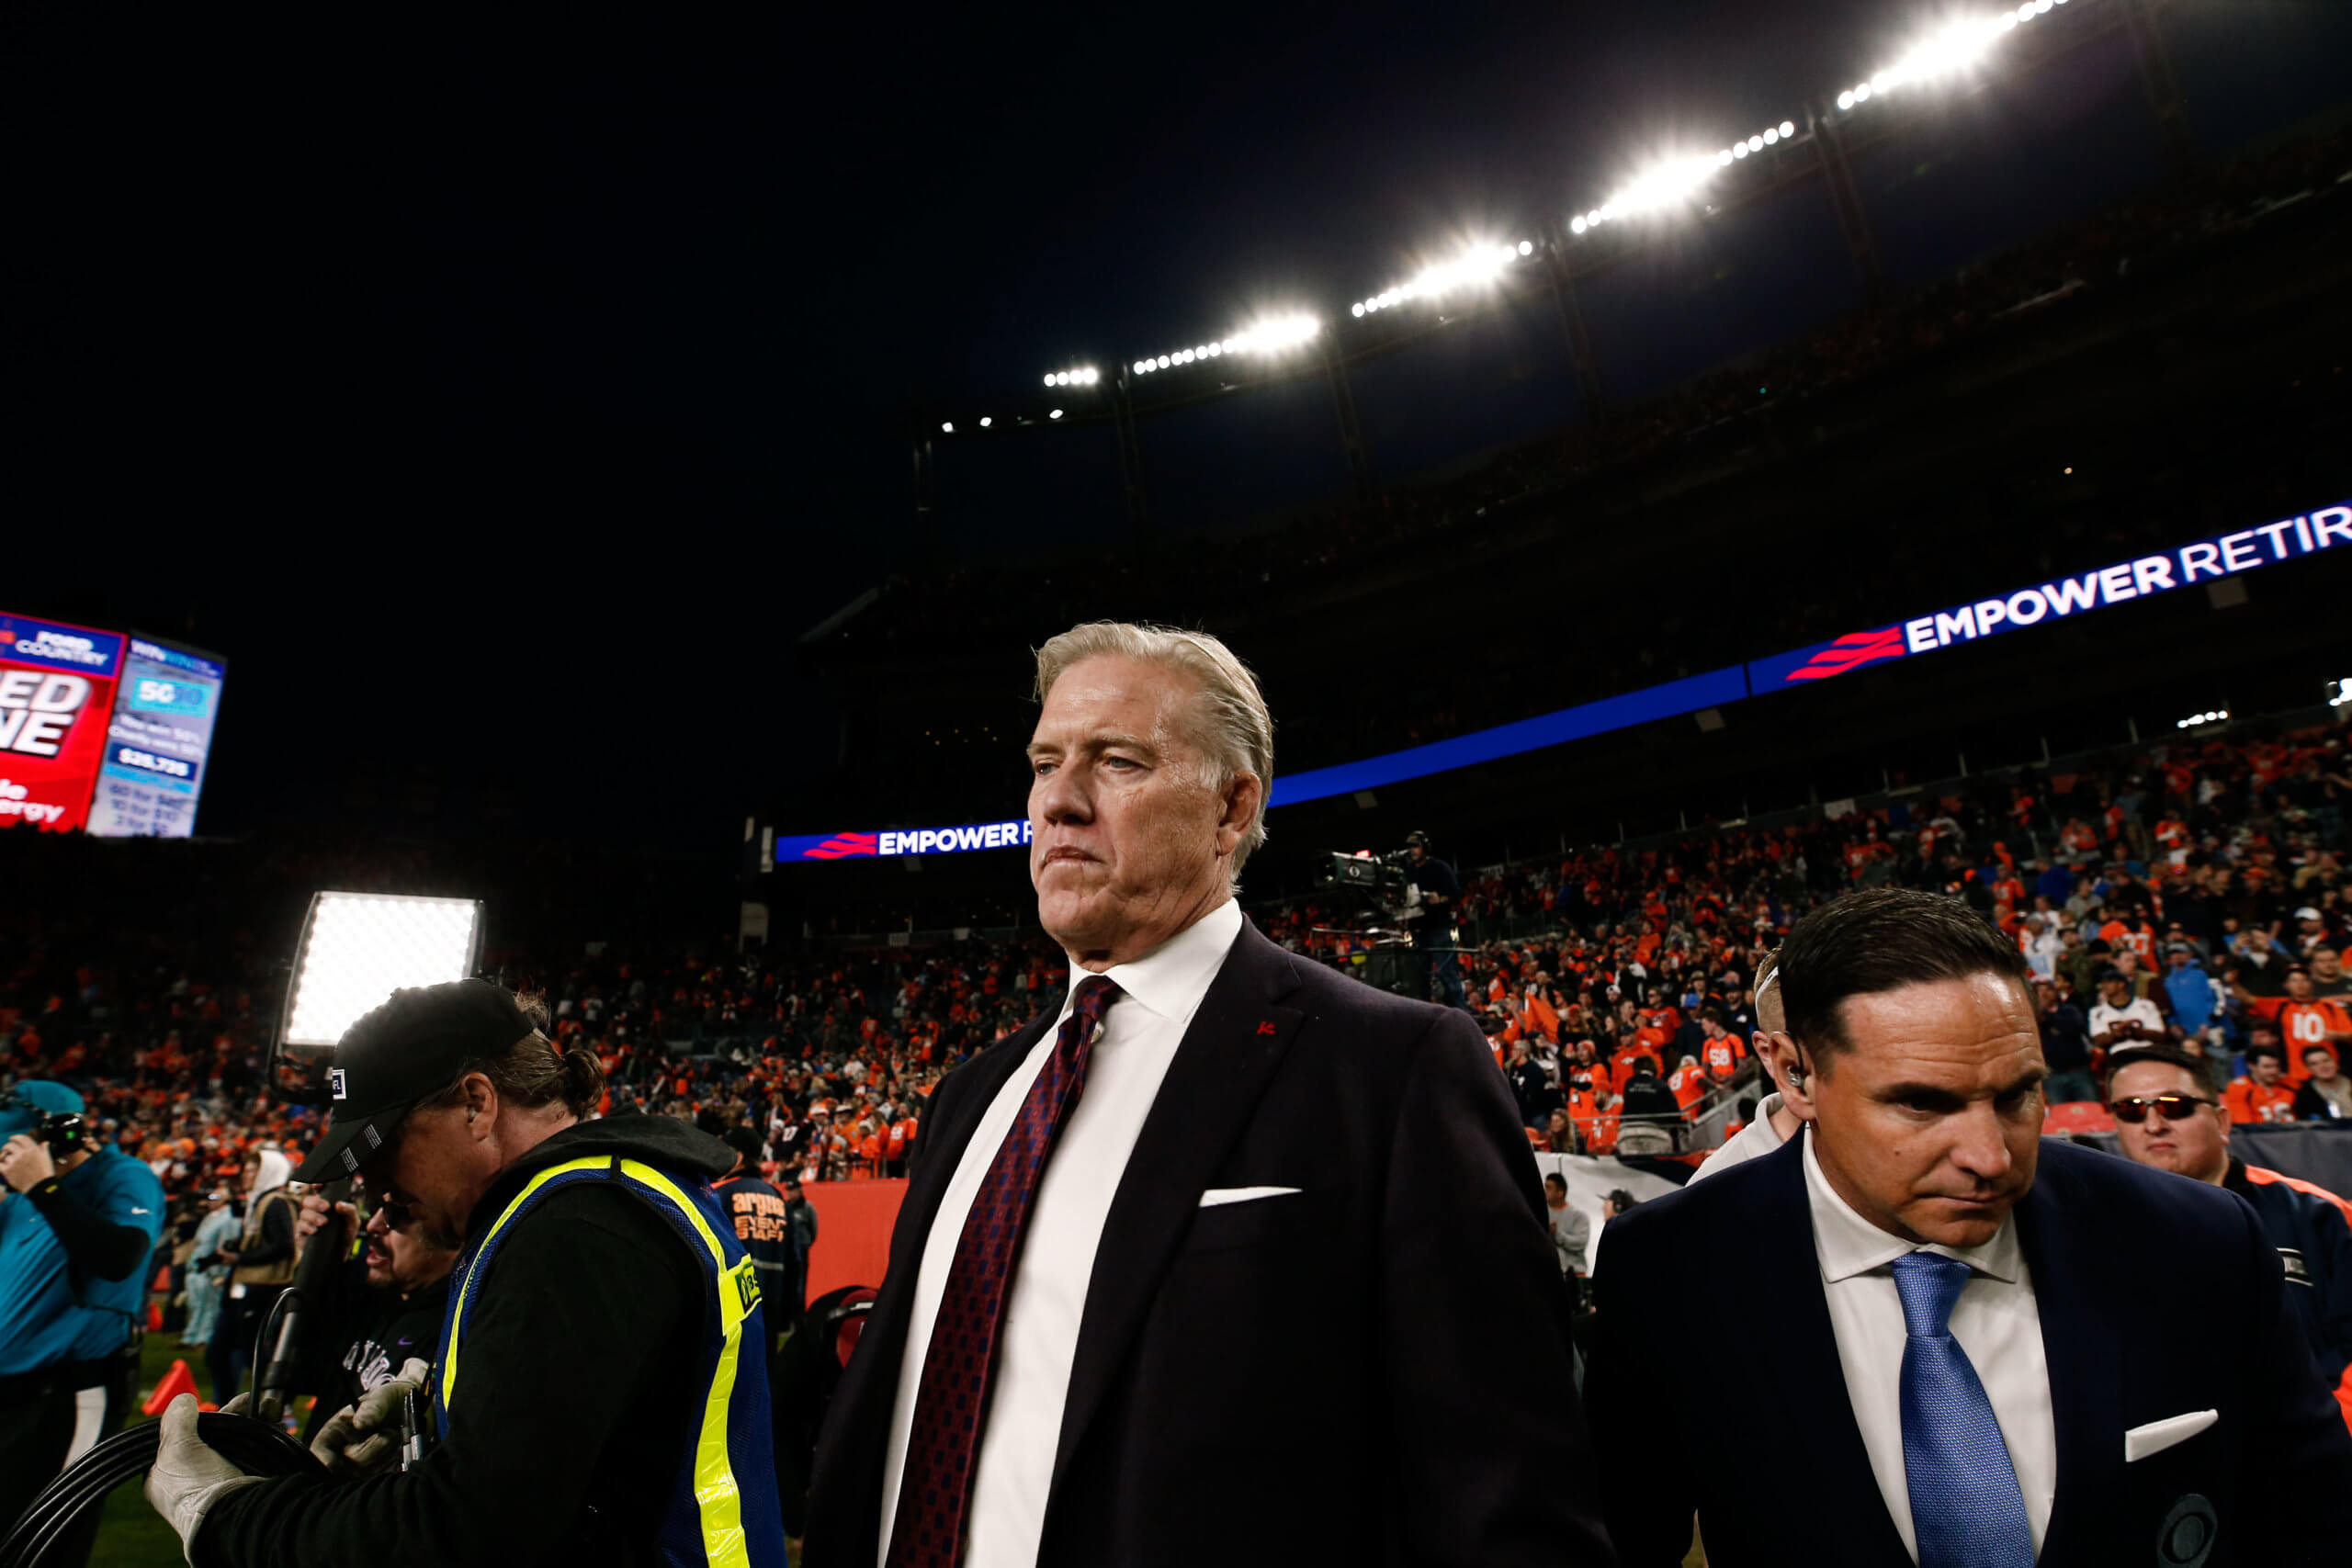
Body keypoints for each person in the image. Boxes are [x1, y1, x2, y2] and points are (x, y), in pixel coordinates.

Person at [805, 621, 1607, 1566]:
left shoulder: (1390, 1069)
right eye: (1044, 762)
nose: (1058, 801)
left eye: (1117, 762)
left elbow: (1505, 1503)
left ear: (1232, 809)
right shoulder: (972, 1097)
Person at [1584, 886, 2352, 1567]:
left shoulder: (2200, 1238)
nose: (1990, 1156)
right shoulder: (1667, 1269)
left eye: (2018, 1095)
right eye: (1922, 1103)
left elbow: (2316, 1524)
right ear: (1795, 1074)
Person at [141, 979, 786, 1567]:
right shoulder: (609, 1198)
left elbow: (468, 1531)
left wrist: (224, 1513)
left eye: (383, 1147)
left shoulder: (575, 1228)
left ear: (477, 1103)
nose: (371, 1184)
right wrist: (438, 1418)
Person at [2108, 1046, 2352, 1432]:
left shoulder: (2319, 1212)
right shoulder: (2094, 1230)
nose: (2153, 1125)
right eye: (2131, 1110)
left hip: (2314, 1453)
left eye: (2174, 1106)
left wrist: (2328, 1441)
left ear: (2222, 1121)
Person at [0, 1081, 165, 1566]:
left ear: (61, 1136)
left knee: (43, 1543)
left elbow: (120, 1257)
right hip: (13, 1398)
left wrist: (43, 1186)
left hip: (67, 1397)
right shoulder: (21, 1199)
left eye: (10, 1149)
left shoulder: (122, 1175)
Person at [275, 1187, 458, 1469]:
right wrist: (318, 1260)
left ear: (448, 1231)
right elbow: (295, 1369)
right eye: (375, 1207)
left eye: (395, 1213)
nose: (372, 1225)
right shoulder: (374, 1298)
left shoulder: (455, 1327)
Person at [1687, 954, 1800, 1183]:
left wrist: (1729, 1079)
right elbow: (1706, 1065)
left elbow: (1741, 1064)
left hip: (1731, 1086)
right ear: (1773, 1055)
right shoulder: (1715, 1181)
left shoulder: (1732, 1040)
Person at [204, 1147, 296, 1404]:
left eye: (252, 1170)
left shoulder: (275, 1203)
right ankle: (234, 1404)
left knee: (246, 1353)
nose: (245, 1175)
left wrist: (240, 1258)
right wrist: (236, 1247)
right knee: (225, 1352)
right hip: (246, 1286)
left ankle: (273, 1406)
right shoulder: (260, 1201)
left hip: (260, 1289)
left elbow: (284, 1246)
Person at [1405, 829, 1471, 1012]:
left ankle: (1460, 1013)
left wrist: (1439, 899)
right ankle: (1423, 1013)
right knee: (1420, 977)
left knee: (1446, 972)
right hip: (1417, 929)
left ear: (1425, 847)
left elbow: (1457, 893)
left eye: (1416, 846)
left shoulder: (1439, 868)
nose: (1413, 850)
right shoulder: (1408, 872)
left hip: (1438, 928)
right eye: (1410, 847)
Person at [181, 1188, 237, 1350]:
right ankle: (191, 1336)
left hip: (210, 1270)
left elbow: (225, 1245)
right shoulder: (211, 1217)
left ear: (226, 1200)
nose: (211, 1200)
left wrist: (219, 1273)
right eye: (210, 1197)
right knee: (196, 1305)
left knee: (209, 1307)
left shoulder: (228, 1218)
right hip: (197, 1267)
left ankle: (204, 1338)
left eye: (216, 1197)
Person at [2225, 1043, 2299, 1125]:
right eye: (2267, 1067)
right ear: (2252, 1066)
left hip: (2296, 1134)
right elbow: (2244, 1126)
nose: (2274, 1071)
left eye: (2277, 1066)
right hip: (2260, 1135)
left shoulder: (2290, 1084)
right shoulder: (2239, 1088)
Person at [781, 1176, 819, 1323]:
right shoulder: (785, 1207)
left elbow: (814, 1229)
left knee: (800, 1284)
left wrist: (806, 1243)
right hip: (788, 1250)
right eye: (788, 1190)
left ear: (799, 1190)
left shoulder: (807, 1207)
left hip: (802, 1249)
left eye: (792, 1190)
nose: (790, 1193)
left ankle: (799, 1319)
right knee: (788, 1283)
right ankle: (787, 1318)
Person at [1544, 1172, 1590, 1278]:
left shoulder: (1579, 1216)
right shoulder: (1539, 1213)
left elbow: (1580, 1243)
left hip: (1575, 1275)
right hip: (1548, 1275)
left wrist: (1557, 1235)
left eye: (1548, 1188)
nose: (1545, 1191)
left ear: (1560, 1192)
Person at [2296, 1044, 2352, 1121]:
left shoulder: (2349, 1081)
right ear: (2307, 1068)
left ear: (2335, 1061)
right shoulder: (2305, 1095)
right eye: (2314, 1064)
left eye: (2326, 1061)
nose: (2323, 1066)